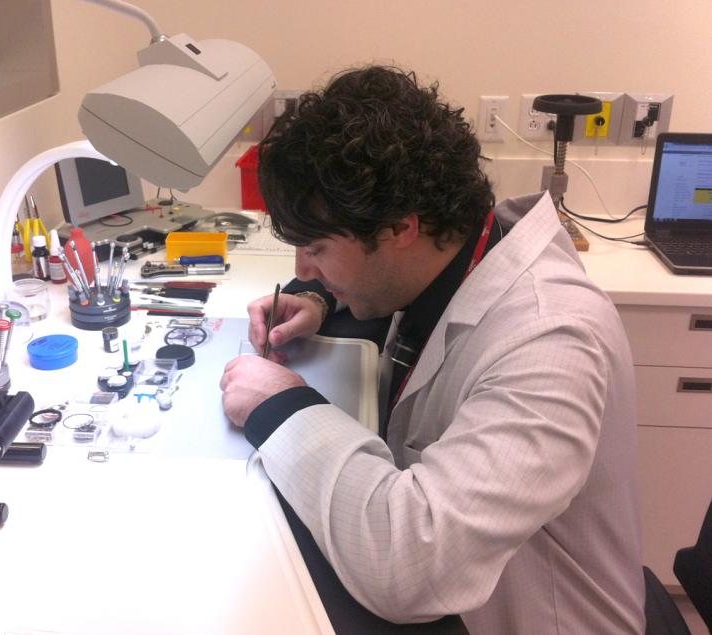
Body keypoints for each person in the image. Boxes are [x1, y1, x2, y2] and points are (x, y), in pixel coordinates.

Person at [219, 66, 645, 634]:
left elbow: (411, 568)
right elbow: (408, 295)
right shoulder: (463, 246)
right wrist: (322, 297)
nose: (300, 271)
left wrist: (282, 408)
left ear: (399, 229)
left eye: (316, 248)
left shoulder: (551, 343)